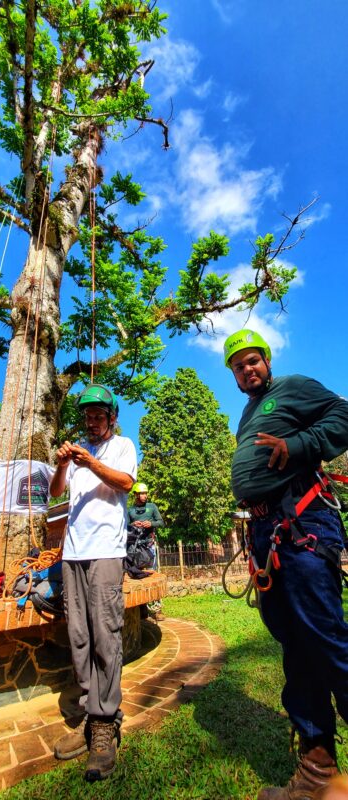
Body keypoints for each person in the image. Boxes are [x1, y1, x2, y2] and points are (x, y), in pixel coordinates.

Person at [223, 328, 348, 800]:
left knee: (325, 639)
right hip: (267, 534)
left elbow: (344, 414)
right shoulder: (250, 411)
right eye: (238, 365)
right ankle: (318, 775)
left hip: (302, 526)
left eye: (253, 360)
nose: (247, 369)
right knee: (298, 647)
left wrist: (300, 446)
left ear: (268, 361)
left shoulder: (291, 388)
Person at [50, 384, 137, 782]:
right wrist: (64, 465)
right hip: (72, 553)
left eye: (100, 414)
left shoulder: (122, 446)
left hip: (105, 551)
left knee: (106, 634)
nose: (93, 420)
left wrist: (89, 462)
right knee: (79, 636)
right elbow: (55, 494)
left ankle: (105, 725)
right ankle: (89, 714)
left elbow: (124, 483)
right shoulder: (77, 456)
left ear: (112, 416)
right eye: (88, 415)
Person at [127, 482, 165, 619]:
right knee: (138, 576)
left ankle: (157, 609)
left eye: (146, 493)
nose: (145, 496)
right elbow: (125, 526)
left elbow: (161, 522)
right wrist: (132, 524)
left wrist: (151, 524)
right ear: (136, 495)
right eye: (142, 493)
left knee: (152, 574)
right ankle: (142, 608)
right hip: (135, 549)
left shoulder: (152, 507)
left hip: (149, 546)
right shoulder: (130, 511)